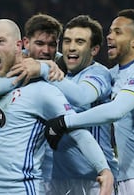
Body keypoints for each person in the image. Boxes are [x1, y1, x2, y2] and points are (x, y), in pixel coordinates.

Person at [0, 18, 114, 194]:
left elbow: (78, 132)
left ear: (18, 46)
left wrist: (104, 169)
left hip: (18, 190)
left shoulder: (44, 92)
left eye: (0, 42)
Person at [44, 9, 134, 195]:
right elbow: (79, 61)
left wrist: (64, 122)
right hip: (125, 178)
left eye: (117, 32)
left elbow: (116, 110)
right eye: (110, 31)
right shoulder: (114, 75)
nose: (109, 37)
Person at [39, 14, 119, 194]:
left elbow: (82, 96)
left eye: (80, 42)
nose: (71, 47)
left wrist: (43, 69)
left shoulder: (97, 74)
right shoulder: (62, 75)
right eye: (67, 41)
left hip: (94, 180)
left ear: (94, 50)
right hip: (59, 179)